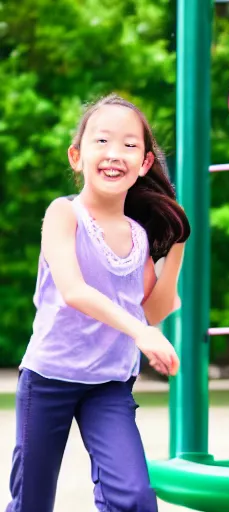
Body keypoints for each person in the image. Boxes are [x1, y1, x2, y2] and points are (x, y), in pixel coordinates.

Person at [5, 93, 190, 512]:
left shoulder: (139, 236)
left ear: (143, 164)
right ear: (77, 156)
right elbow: (74, 291)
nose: (114, 154)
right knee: (31, 502)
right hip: (49, 378)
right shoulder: (63, 215)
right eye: (102, 141)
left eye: (129, 146)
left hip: (108, 385)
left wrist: (176, 247)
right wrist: (142, 333)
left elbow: (152, 309)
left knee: (136, 500)